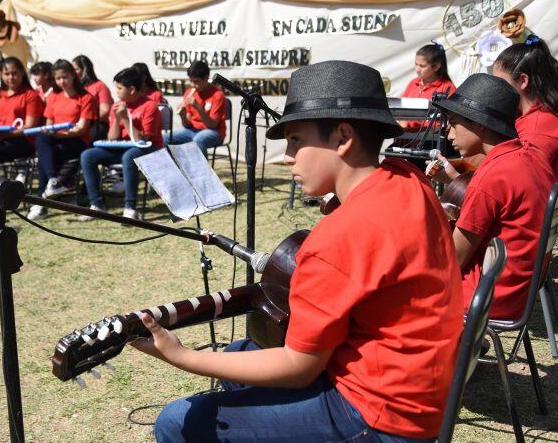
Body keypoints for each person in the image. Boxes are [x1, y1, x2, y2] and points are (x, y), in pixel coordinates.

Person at [132, 61, 464, 442]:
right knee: (237, 354)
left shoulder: (338, 238)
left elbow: (300, 367)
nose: (288, 156)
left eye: (295, 140)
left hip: (381, 416)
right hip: (425, 388)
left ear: (343, 136)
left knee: (177, 421)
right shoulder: (409, 179)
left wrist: (182, 356)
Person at [432, 73, 556, 320]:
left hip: (488, 295)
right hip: (521, 289)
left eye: (454, 123)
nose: (449, 134)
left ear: (479, 122)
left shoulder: (492, 176)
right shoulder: (532, 156)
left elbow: (454, 260)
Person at [492, 35, 558, 177]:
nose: (495, 89)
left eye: (500, 83)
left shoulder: (536, 130)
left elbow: (519, 178)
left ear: (522, 81)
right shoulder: (541, 117)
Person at [79, 67, 161, 220]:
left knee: (129, 157)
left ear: (131, 90)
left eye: (119, 88)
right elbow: (112, 138)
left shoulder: (149, 106)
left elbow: (143, 141)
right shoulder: (117, 105)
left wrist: (124, 117)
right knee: (87, 156)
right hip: (121, 148)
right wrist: (117, 118)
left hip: (147, 149)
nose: (116, 92)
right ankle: (97, 205)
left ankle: (130, 208)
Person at [0, 57, 43, 219]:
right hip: (1, 141)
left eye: (14, 73)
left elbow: (30, 126)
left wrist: (4, 134)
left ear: (21, 74)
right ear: (1, 75)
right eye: (6, 74)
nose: (10, 77)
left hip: (23, 142)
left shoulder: (30, 95)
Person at [28, 59, 97, 220]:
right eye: (58, 78)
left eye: (65, 77)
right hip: (57, 140)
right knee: (43, 142)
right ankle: (53, 180)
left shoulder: (86, 98)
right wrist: (53, 133)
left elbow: (81, 129)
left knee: (45, 156)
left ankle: (40, 203)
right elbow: (49, 124)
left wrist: (57, 134)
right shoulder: (54, 97)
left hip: (77, 142)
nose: (62, 82)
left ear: (73, 76)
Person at [164, 60, 226, 156]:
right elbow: (187, 125)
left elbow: (212, 125)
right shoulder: (189, 93)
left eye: (196, 81)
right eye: (191, 81)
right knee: (165, 138)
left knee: (198, 140)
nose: (192, 85)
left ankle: (201, 171)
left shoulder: (217, 95)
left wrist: (198, 107)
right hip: (192, 130)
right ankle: (172, 168)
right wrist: (182, 115)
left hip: (214, 132)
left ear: (206, 78)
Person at [400, 43, 455, 132]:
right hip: (407, 138)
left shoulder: (448, 88)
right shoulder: (413, 83)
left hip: (431, 141)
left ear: (436, 66)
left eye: (422, 66)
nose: (417, 69)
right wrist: (402, 134)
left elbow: (451, 122)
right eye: (416, 64)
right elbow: (402, 113)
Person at [72, 55, 113, 140]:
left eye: (76, 70)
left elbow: (105, 110)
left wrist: (86, 121)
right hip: (77, 126)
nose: (73, 73)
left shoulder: (100, 86)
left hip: (96, 126)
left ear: (85, 70)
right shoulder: (75, 88)